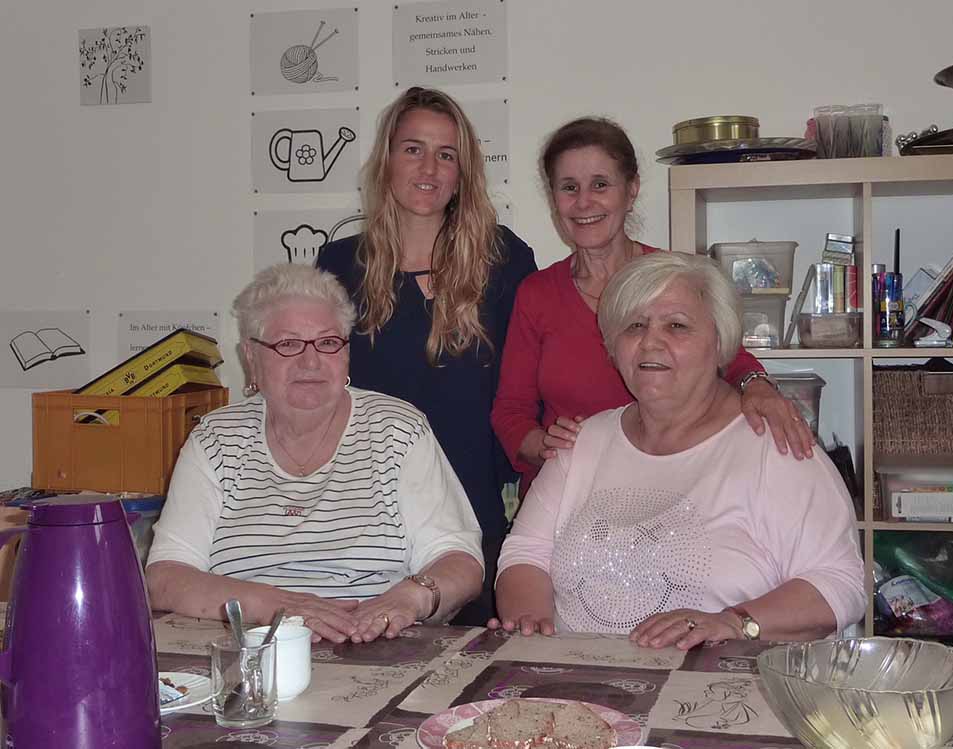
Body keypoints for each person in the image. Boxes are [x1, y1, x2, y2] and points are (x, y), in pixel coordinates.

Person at [491, 252, 865, 647]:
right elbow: (526, 554)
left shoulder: (775, 446)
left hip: (721, 695)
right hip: (579, 690)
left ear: (720, 343)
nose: (651, 342)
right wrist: (531, 631)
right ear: (613, 347)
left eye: (677, 326)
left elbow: (840, 584)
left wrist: (731, 622)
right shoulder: (580, 443)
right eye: (634, 326)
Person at [146, 264, 484, 644]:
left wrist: (409, 598)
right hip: (251, 653)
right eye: (288, 344)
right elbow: (165, 578)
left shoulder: (398, 429)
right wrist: (280, 607)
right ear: (251, 358)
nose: (310, 361)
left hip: (375, 647)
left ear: (346, 354)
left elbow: (461, 562)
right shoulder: (216, 439)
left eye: (327, 342)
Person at [491, 117, 812, 495]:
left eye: (600, 185)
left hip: (668, 491)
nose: (583, 202)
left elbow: (729, 356)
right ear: (554, 199)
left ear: (631, 191)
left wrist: (757, 386)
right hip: (569, 494)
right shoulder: (537, 293)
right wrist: (545, 446)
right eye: (569, 188)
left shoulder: (677, 278)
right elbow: (511, 413)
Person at [316, 87, 537, 624]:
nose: (429, 168)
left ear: (464, 171)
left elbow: (531, 388)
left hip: (473, 513)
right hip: (365, 521)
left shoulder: (505, 259)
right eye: (413, 149)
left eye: (447, 154)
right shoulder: (339, 264)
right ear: (387, 158)